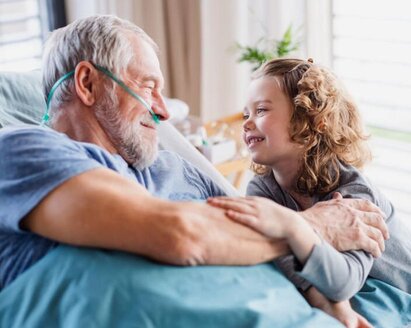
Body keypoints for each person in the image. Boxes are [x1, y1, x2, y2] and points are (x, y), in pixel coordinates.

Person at [0, 16, 387, 325]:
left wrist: (331, 307)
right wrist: (313, 227)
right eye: (149, 86)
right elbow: (180, 235)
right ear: (87, 83)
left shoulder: (177, 169)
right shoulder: (25, 152)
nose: (164, 110)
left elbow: (254, 240)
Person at [208, 57, 411, 324]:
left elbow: (343, 282)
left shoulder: (354, 192)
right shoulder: (261, 187)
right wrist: (323, 301)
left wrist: (293, 227)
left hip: (390, 293)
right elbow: (284, 261)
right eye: (246, 114)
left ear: (313, 120)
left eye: (261, 111)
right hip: (328, 286)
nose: (246, 123)